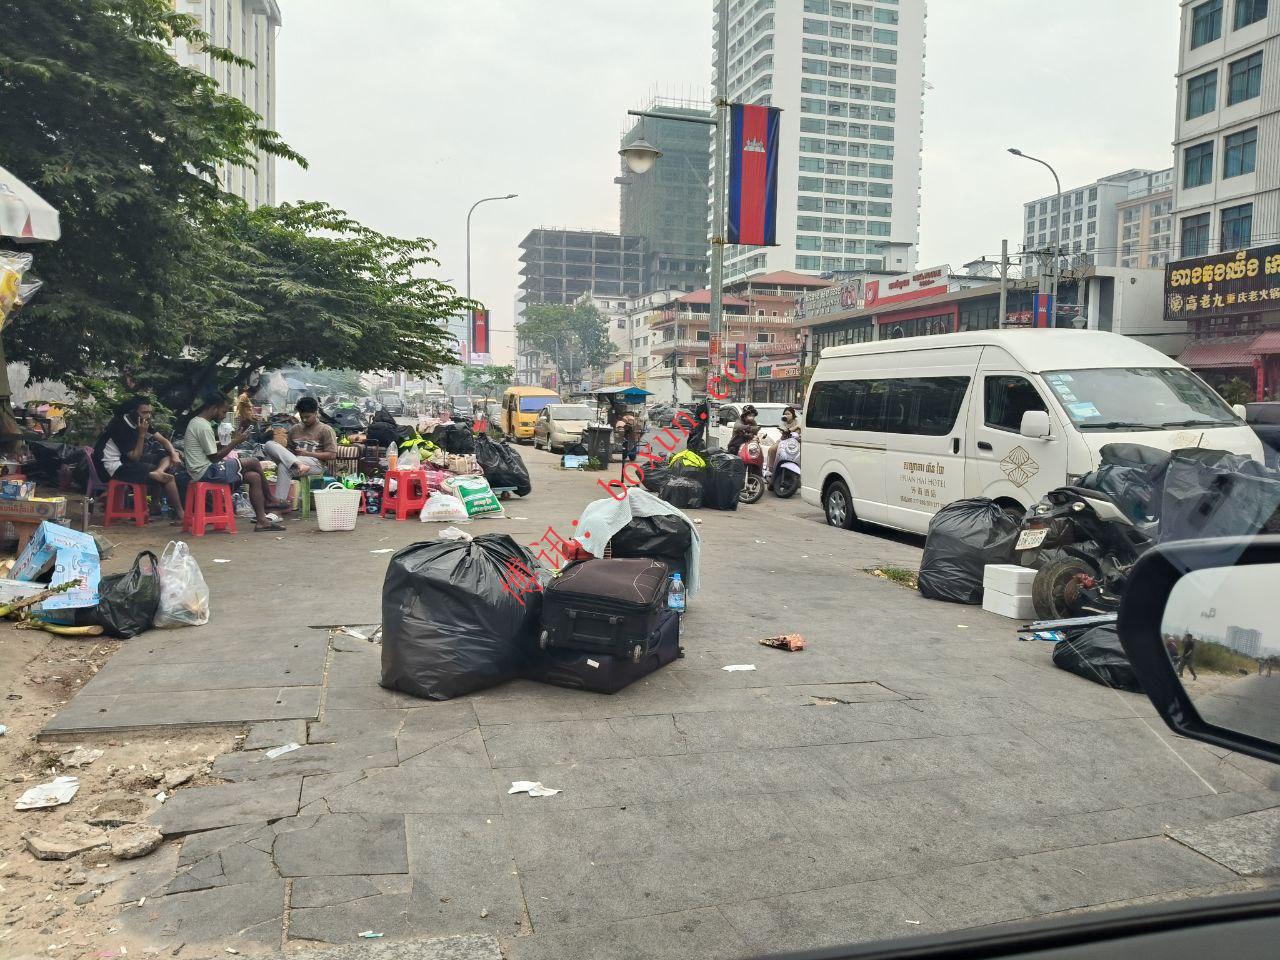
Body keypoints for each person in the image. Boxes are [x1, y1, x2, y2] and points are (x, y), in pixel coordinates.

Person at [182, 390, 284, 532]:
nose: (224, 416)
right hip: (206, 471)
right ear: (214, 408)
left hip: (203, 470)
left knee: (254, 477)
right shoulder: (203, 426)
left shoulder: (197, 422)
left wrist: (231, 440)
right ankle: (271, 499)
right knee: (254, 461)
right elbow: (215, 457)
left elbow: (210, 450)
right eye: (223, 412)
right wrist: (235, 442)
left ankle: (262, 521)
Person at [92, 396, 185, 523]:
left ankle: (156, 495)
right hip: (114, 467)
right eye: (144, 412)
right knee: (168, 478)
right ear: (133, 412)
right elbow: (135, 457)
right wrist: (141, 434)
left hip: (127, 461)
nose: (148, 416)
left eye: (150, 412)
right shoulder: (119, 425)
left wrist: (174, 454)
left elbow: (163, 440)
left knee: (168, 455)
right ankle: (181, 515)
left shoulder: (141, 421)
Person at [261, 397, 338, 508]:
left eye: (307, 417)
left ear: (316, 413)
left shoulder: (326, 430)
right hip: (295, 462)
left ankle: (278, 506)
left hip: (315, 464)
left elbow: (332, 455)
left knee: (284, 466)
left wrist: (308, 454)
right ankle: (298, 464)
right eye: (302, 417)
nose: (305, 420)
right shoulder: (295, 429)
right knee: (269, 444)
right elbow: (288, 451)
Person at [765, 405, 801, 477]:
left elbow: (800, 430)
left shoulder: (798, 421)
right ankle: (771, 470)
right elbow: (785, 431)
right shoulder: (783, 421)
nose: (786, 415)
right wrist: (796, 427)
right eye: (785, 414)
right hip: (783, 440)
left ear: (793, 414)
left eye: (788, 414)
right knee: (772, 449)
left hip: (795, 442)